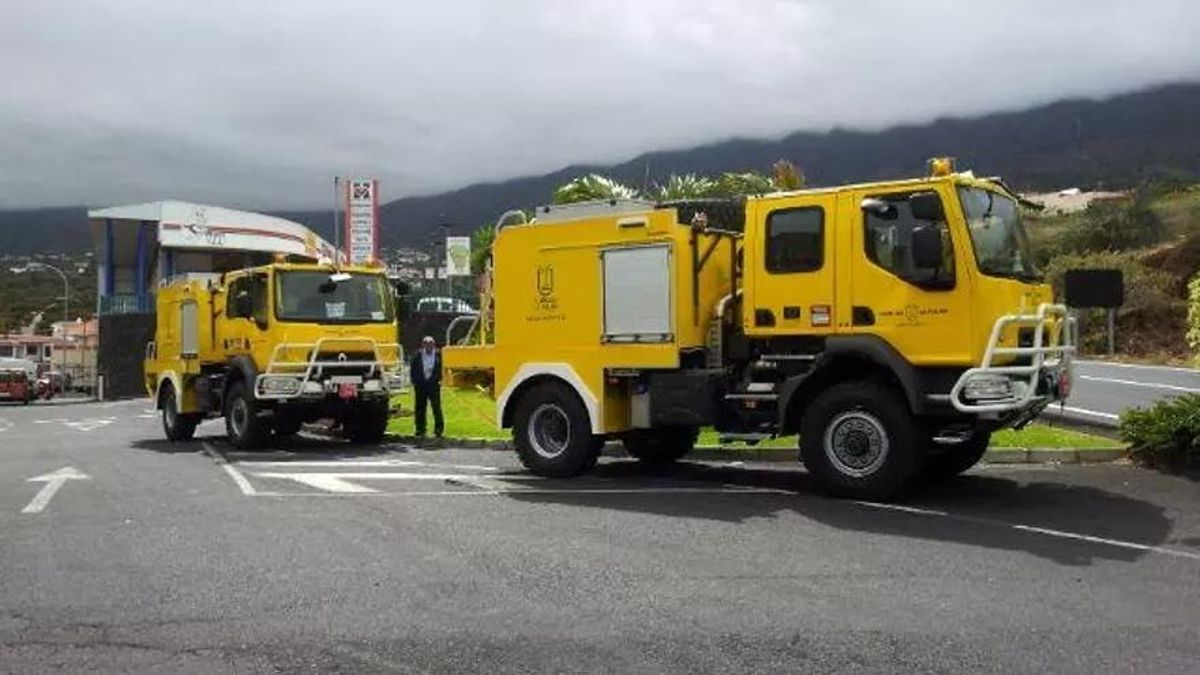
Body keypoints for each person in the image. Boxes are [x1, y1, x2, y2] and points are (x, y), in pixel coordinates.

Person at [409, 335, 444, 437]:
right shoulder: (417, 355)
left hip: (434, 384)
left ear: (434, 344)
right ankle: (420, 429)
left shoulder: (439, 354)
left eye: (430, 343)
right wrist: (414, 381)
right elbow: (413, 368)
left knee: (436, 407)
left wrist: (440, 380)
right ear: (423, 344)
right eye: (426, 343)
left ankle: (438, 430)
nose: (428, 346)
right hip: (420, 385)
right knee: (420, 408)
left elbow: (443, 368)